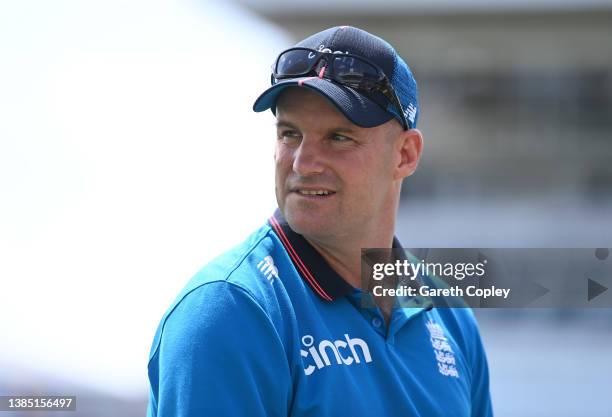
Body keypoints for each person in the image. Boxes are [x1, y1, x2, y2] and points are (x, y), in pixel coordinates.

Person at [146, 26, 493, 417]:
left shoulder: (448, 314)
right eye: (290, 134)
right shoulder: (231, 311)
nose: (303, 163)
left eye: (338, 138)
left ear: (405, 155)